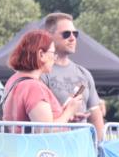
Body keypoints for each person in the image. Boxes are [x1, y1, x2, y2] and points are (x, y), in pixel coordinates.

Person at [40, 12, 105, 140]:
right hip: (53, 150)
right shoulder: (41, 72)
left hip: (81, 149)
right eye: (66, 34)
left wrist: (100, 149)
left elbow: (96, 117)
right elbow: (41, 120)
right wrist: (68, 114)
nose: (72, 38)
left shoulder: (84, 74)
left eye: (75, 34)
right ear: (49, 36)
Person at [1, 30, 83, 125]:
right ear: (41, 55)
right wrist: (69, 112)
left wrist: (64, 113)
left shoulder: (14, 79)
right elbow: (46, 130)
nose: (55, 58)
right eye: (53, 53)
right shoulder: (34, 87)